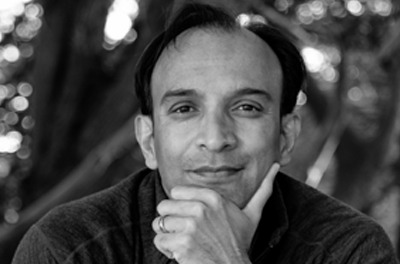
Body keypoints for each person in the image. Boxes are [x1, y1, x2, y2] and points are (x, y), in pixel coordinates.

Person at [12, 3, 398, 264]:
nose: (215, 139)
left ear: (285, 136)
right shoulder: (68, 246)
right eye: (184, 109)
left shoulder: (349, 249)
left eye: (246, 108)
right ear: (148, 141)